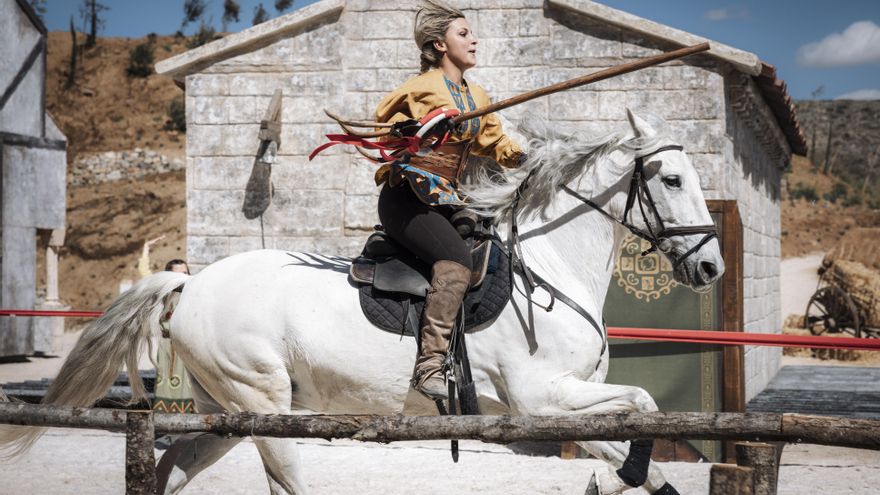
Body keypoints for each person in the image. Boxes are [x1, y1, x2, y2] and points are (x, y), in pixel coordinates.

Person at [374, 1, 524, 400]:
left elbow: (494, 141)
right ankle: (429, 366)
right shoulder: (419, 87)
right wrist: (411, 132)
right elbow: (383, 128)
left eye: (471, 33)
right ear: (440, 45)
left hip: (448, 199)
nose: (473, 39)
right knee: (456, 261)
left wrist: (522, 157)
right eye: (463, 34)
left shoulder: (477, 94)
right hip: (408, 196)